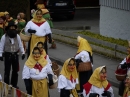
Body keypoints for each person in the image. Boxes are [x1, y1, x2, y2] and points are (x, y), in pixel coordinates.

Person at [0, 21, 25, 88]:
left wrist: (23, 53)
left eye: (14, 27)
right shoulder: (4, 37)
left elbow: (20, 45)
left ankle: (14, 84)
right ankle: (6, 85)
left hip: (15, 55)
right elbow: (1, 46)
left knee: (15, 71)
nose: (12, 29)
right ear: (8, 28)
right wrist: (0, 54)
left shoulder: (17, 36)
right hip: (7, 55)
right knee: (7, 71)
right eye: (11, 27)